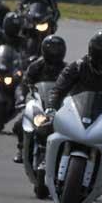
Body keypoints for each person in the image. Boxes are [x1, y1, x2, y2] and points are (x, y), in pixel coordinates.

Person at [47, 31, 102, 183]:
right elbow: (58, 90)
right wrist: (51, 108)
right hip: (73, 112)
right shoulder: (77, 66)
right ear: (92, 52)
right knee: (43, 127)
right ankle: (43, 160)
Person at [11, 35, 67, 163]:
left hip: (58, 104)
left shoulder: (66, 69)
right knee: (19, 124)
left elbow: (74, 88)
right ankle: (21, 148)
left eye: (57, 49)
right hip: (38, 101)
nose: (54, 53)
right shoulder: (36, 66)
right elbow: (24, 84)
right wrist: (20, 98)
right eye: (51, 49)